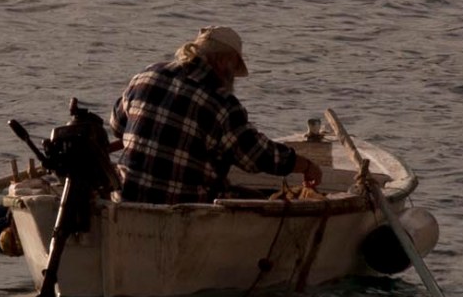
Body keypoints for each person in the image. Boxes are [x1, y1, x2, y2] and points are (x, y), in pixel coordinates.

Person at [109, 26, 322, 204]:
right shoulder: (222, 104)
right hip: (184, 207)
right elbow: (256, 156)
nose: (234, 76)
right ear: (222, 61)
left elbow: (117, 126)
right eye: (235, 66)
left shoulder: (146, 76)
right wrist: (306, 166)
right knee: (259, 200)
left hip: (126, 199)